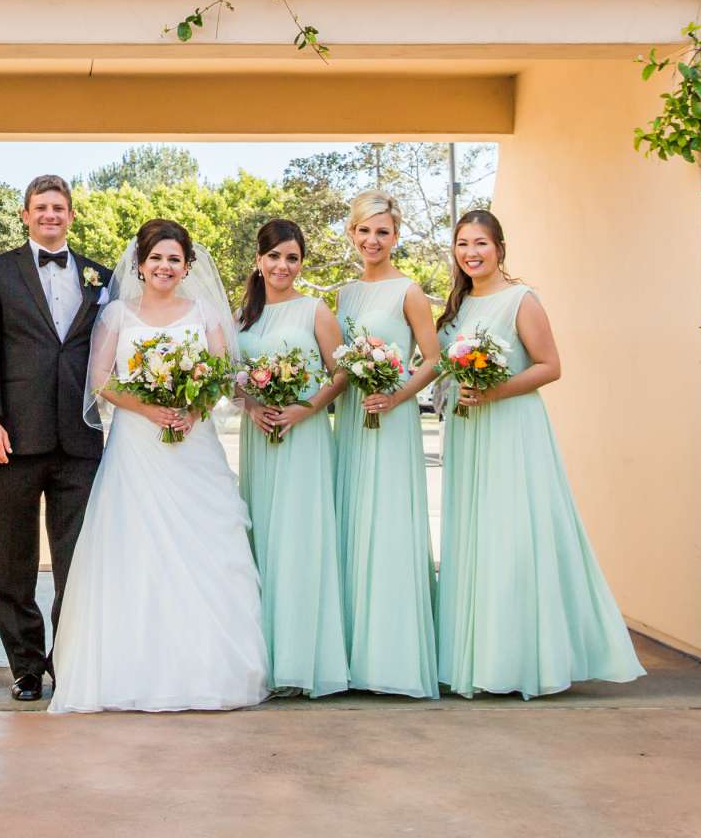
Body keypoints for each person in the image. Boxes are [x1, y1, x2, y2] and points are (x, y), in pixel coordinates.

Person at [48, 219, 268, 714]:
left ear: (187, 266)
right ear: (140, 265)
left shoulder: (206, 314)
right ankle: (133, 672)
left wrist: (191, 411)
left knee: (205, 550)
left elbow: (222, 376)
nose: (165, 267)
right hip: (136, 448)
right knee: (136, 552)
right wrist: (149, 409)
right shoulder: (117, 317)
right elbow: (101, 380)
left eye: (175, 259)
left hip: (194, 448)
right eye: (156, 259)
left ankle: (207, 670)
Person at [436, 209, 645, 698]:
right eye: (463, 244)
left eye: (481, 243)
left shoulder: (521, 300)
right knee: (476, 538)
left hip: (511, 428)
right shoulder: (458, 308)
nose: (471, 252)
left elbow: (551, 366)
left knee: (513, 538)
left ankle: (518, 661)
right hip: (468, 431)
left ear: (500, 248)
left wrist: (495, 391)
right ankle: (474, 657)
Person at [0, 173, 109, 701]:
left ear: (71, 215)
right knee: (12, 560)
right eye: (40, 207)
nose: (50, 215)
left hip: (81, 440)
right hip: (13, 439)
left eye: (59, 207)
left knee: (77, 562)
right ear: (25, 215)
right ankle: (25, 666)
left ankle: (68, 660)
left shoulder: (102, 277)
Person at [332, 189, 441, 697]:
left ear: (396, 236)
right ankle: (353, 653)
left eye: (383, 231)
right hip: (354, 419)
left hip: (391, 421)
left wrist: (397, 397)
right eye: (364, 230)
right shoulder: (345, 296)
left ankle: (393, 659)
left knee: (388, 524)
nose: (373, 240)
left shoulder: (410, 291)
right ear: (352, 234)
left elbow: (432, 359)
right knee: (354, 523)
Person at [235, 218, 350, 699]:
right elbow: (230, 379)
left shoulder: (315, 310)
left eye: (293, 258)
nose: (283, 266)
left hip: (303, 438)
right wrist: (254, 405)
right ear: (259, 261)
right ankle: (266, 660)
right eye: (275, 256)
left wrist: (304, 411)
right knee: (264, 538)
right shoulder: (240, 318)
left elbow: (342, 373)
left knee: (300, 540)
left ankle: (304, 662)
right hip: (259, 437)